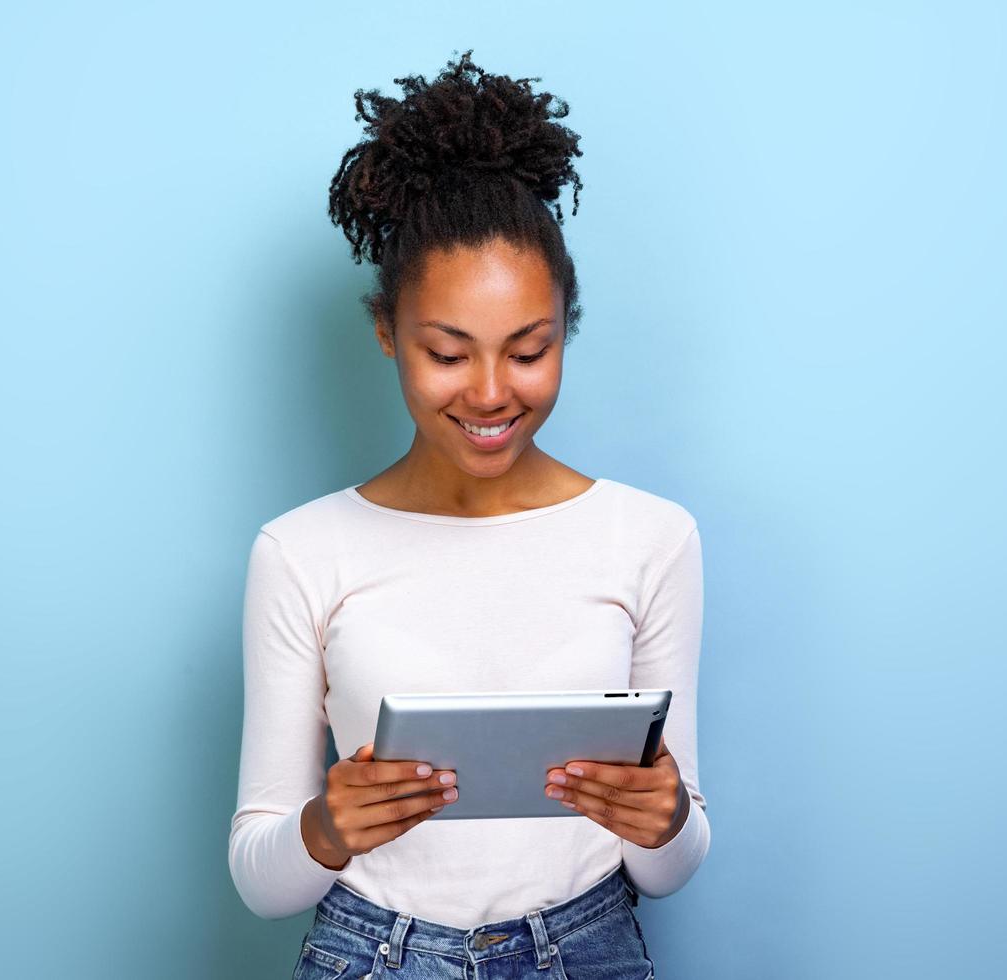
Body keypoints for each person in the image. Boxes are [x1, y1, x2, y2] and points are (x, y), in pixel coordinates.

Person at [228, 51, 708, 979]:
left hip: (591, 949)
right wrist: (328, 827)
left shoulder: (652, 539)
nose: (491, 394)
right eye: (447, 353)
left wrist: (668, 819)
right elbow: (260, 876)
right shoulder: (300, 552)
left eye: (527, 349)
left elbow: (668, 867)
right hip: (372, 952)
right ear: (386, 335)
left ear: (563, 326)